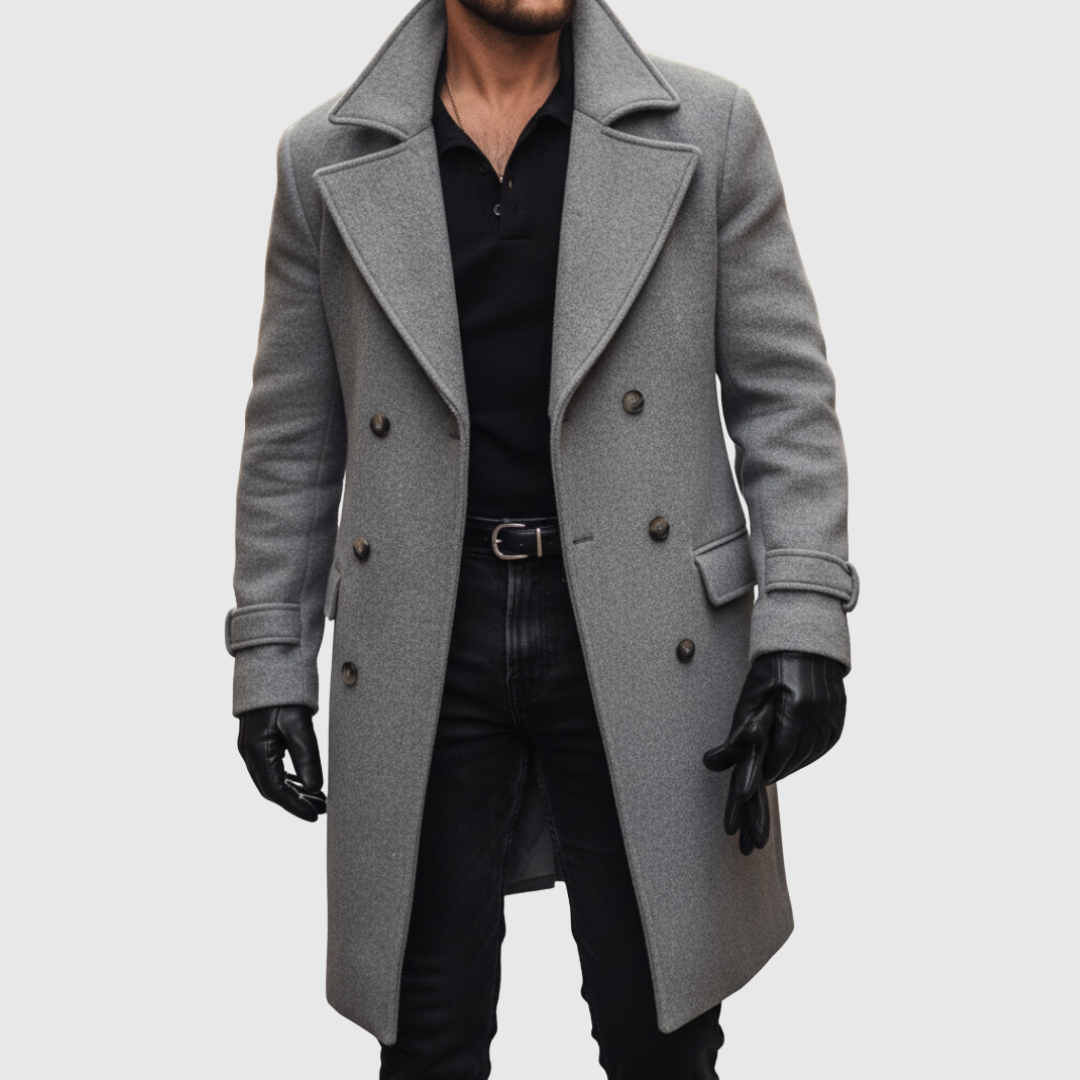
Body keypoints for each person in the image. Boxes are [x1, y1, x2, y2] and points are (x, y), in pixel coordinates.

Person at [226, 0, 858, 1075]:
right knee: (424, 1037)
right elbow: (294, 431)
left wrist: (804, 619)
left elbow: (785, 397)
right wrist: (270, 656)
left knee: (663, 1035)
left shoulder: (708, 130)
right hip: (424, 628)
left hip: (649, 625)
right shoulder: (323, 159)